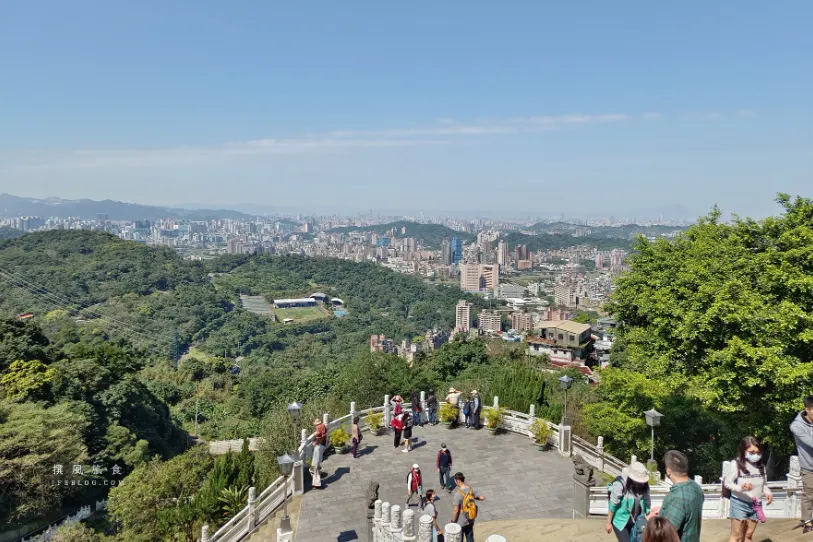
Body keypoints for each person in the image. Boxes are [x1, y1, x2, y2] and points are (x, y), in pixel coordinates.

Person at [648, 450, 704, 542]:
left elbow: (665, 533)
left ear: (668, 470)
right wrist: (663, 510)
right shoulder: (695, 487)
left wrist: (649, 520)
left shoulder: (678, 497)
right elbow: (685, 512)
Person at [724, 436, 773, 542]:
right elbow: (727, 483)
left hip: (756, 503)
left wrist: (768, 493)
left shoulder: (761, 466)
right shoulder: (736, 464)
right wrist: (741, 487)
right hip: (739, 502)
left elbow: (763, 484)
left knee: (748, 535)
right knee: (736, 535)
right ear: (743, 451)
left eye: (758, 452)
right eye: (751, 452)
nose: (755, 455)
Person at [606, 461, 651, 542]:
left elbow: (647, 503)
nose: (640, 484)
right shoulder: (620, 485)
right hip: (620, 521)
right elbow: (613, 504)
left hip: (636, 520)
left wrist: (649, 519)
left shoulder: (645, 486)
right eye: (638, 481)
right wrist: (608, 523)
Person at [790, 396, 813, 533]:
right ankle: (808, 523)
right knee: (809, 495)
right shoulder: (797, 426)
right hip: (809, 467)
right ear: (807, 409)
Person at [451, 472, 485, 542]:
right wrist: (473, 497)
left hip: (461, 521)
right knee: (470, 537)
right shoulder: (471, 489)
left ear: (458, 481)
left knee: (459, 539)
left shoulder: (457, 494)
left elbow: (456, 510)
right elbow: (482, 498)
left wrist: (453, 521)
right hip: (470, 518)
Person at [311, 418, 327, 488]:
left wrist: (315, 441)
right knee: (316, 470)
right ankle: (315, 483)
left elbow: (318, 435)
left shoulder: (319, 428)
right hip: (321, 445)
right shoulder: (323, 426)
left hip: (317, 452)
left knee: (316, 470)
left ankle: (317, 484)